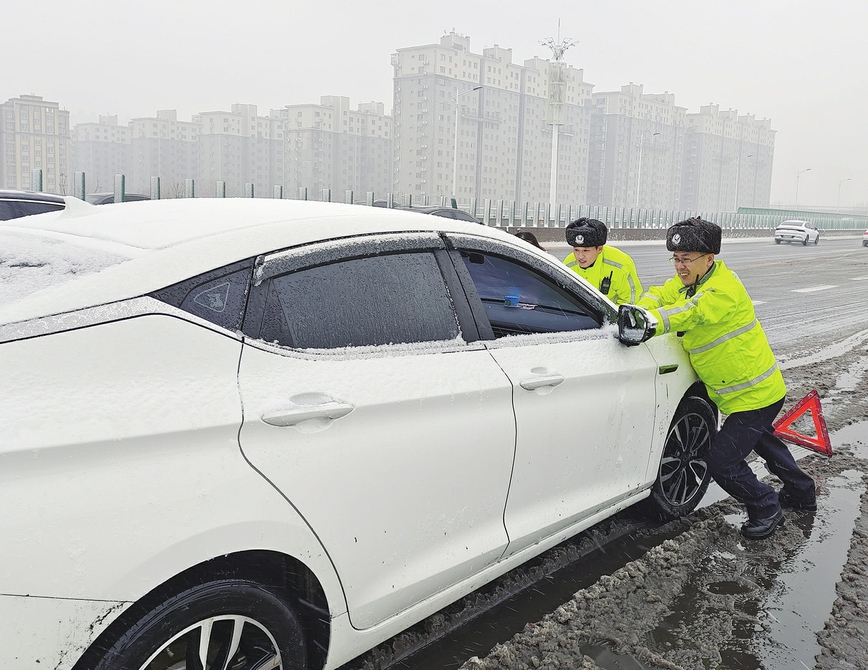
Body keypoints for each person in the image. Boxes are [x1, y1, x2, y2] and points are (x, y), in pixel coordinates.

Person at [637, 217, 816, 540]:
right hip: (744, 394)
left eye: (686, 259)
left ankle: (765, 506)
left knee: (722, 461)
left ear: (709, 258)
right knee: (765, 444)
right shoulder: (688, 282)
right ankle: (802, 491)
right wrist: (640, 309)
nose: (679, 266)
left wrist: (651, 322)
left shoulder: (723, 289)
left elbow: (692, 312)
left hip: (755, 395)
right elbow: (658, 295)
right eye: (676, 259)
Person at [563, 218, 642, 305]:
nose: (580, 256)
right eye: (576, 250)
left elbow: (631, 301)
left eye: (586, 251)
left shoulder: (620, 265)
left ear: (599, 249)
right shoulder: (568, 265)